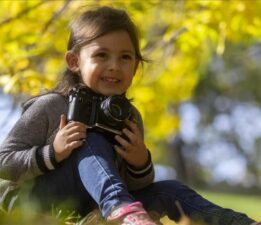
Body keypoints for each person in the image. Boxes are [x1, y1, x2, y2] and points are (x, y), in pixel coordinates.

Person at [0, 6, 259, 225]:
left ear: (135, 66)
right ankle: (123, 212)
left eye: (125, 57)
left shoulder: (128, 116)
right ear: (74, 61)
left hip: (94, 208)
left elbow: (137, 185)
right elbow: (4, 162)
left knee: (171, 189)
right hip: (36, 200)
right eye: (101, 55)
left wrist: (139, 162)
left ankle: (239, 222)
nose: (114, 65)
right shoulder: (51, 106)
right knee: (90, 138)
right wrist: (52, 153)